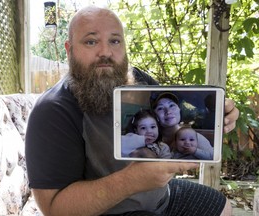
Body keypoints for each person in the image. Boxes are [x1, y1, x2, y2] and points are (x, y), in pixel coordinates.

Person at [25, 6, 239, 216]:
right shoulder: (53, 112)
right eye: (91, 41)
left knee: (222, 207)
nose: (106, 52)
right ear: (69, 50)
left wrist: (222, 117)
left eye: (115, 41)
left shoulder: (137, 79)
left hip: (161, 198)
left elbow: (168, 121)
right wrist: (131, 181)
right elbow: (54, 209)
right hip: (109, 211)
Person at [150, 92, 214, 154]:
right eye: (160, 108)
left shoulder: (195, 138)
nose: (168, 111)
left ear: (179, 109)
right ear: (154, 114)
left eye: (172, 105)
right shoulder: (150, 141)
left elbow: (213, 160)